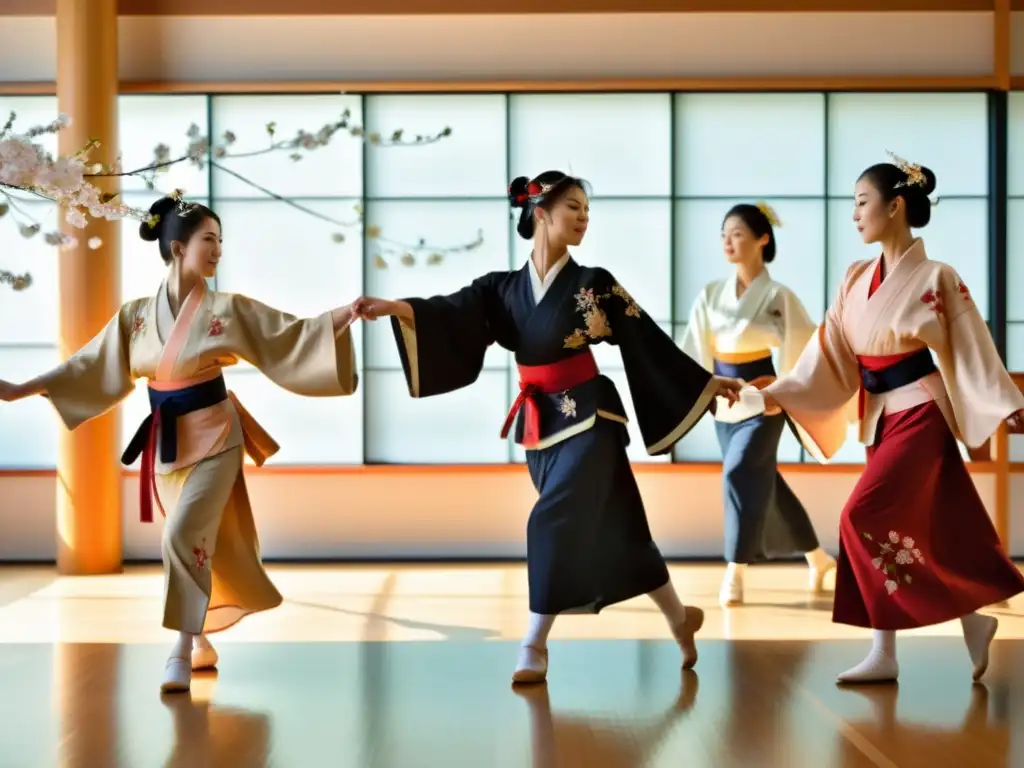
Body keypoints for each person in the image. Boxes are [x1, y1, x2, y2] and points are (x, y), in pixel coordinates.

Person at [352, 171, 744, 684]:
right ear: (541, 213)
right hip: (540, 424)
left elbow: (644, 337)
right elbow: (451, 313)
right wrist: (393, 308)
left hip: (591, 418)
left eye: (587, 210)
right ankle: (680, 618)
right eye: (573, 208)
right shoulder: (502, 289)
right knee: (626, 534)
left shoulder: (593, 284)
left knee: (549, 520)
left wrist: (703, 383)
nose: (583, 218)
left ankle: (534, 644)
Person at [0, 193, 359, 694]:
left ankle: (180, 649)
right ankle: (204, 640)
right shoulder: (136, 317)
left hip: (216, 436)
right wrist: (22, 389)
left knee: (180, 536)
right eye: (208, 240)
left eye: (220, 242)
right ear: (176, 248)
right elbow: (88, 365)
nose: (217, 251)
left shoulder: (226, 309)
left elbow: (287, 335)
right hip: (166, 448)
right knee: (193, 543)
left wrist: (342, 316)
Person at [756, 154, 1024, 684]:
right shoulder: (855, 278)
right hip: (880, 417)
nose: (854, 214)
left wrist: (1004, 400)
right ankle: (910, 642)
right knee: (913, 528)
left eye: (861, 202)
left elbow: (971, 345)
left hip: (922, 410)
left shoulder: (936, 277)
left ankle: (940, 626)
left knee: (860, 517)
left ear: (895, 206)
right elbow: (828, 354)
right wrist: (780, 393)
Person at [680, 202, 835, 607]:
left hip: (765, 397)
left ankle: (736, 568)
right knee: (763, 479)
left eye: (737, 234)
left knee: (738, 472)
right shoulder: (711, 294)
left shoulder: (779, 295)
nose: (728, 242)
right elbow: (694, 347)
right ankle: (818, 558)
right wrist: (704, 390)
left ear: (762, 239)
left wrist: (780, 388)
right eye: (724, 235)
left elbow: (805, 350)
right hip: (725, 398)